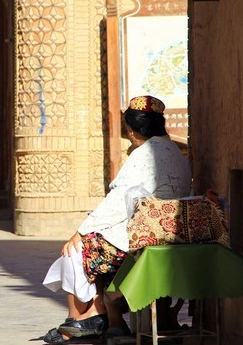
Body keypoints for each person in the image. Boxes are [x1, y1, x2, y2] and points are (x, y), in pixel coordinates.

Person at [41, 95, 192, 344]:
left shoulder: (145, 154)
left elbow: (116, 203)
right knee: (99, 242)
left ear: (132, 131)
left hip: (145, 232)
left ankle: (85, 316)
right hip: (166, 229)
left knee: (77, 250)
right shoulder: (174, 152)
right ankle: (112, 321)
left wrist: (80, 231)